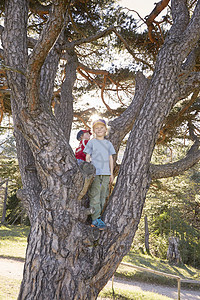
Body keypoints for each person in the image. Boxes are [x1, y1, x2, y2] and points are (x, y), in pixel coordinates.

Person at [84, 119, 116, 230]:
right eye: (96, 128)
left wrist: (111, 173)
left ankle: (99, 218)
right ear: (93, 131)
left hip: (106, 173)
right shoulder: (91, 142)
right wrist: (88, 169)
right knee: (95, 194)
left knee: (103, 195)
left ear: (105, 129)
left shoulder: (108, 144)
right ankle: (95, 219)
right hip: (96, 173)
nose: (99, 129)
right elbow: (87, 156)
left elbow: (110, 158)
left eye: (101, 127)